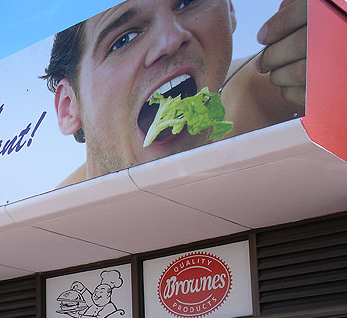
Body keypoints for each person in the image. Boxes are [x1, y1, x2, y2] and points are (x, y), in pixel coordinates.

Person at [43, 0, 307, 186]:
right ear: (68, 107)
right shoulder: (50, 228)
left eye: (186, 2)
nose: (170, 40)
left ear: (228, 8)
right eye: (123, 40)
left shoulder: (292, 93)